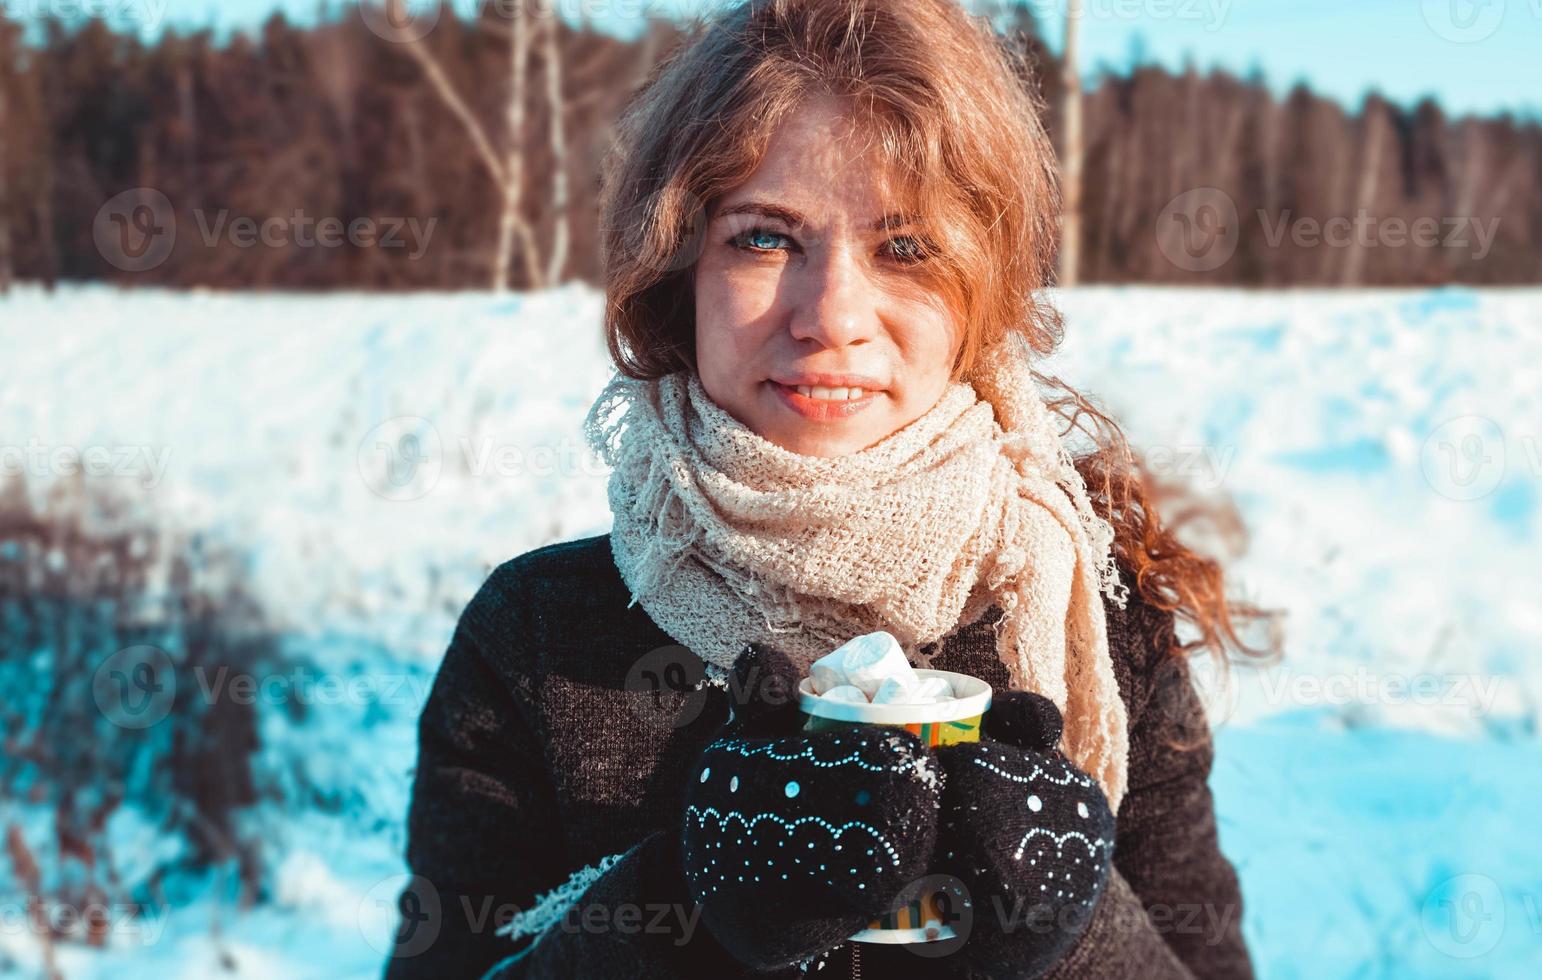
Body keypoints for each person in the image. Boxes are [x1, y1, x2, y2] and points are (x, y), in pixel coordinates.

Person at [384, 1, 1270, 976]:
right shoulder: (538, 635)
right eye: (765, 238)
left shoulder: (1101, 621)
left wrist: (1078, 929)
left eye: (904, 247)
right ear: (677, 272)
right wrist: (674, 906)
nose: (831, 315)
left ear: (983, 291)